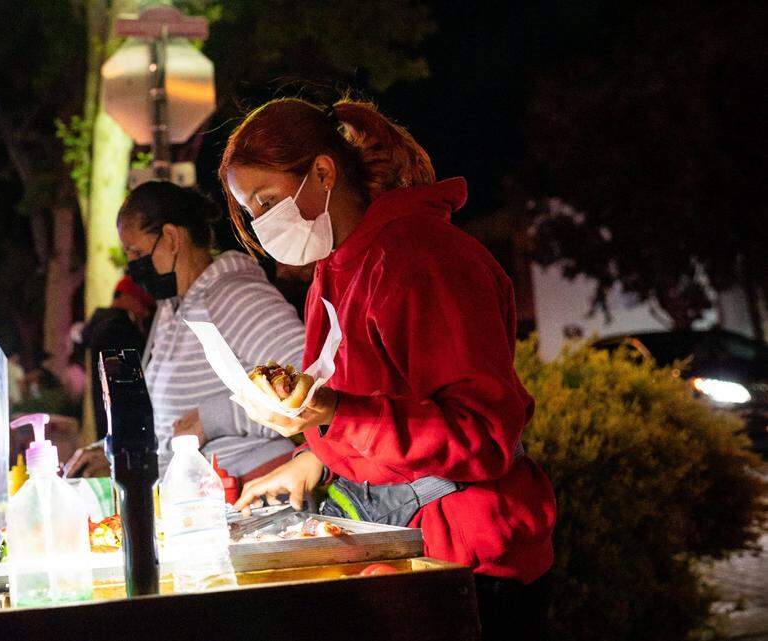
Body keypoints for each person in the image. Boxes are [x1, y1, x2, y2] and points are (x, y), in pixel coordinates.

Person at [219, 97, 556, 641]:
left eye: (266, 201)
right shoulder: (334, 270)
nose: (261, 225)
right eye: (251, 212)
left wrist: (332, 413)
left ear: (323, 173)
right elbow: (373, 404)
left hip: (469, 563)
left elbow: (482, 435)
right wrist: (315, 457)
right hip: (398, 547)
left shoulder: (423, 259)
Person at [66, 182, 306, 479]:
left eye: (136, 251)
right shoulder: (174, 307)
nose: (132, 265)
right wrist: (113, 451)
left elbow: (305, 383)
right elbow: (166, 425)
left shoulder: (234, 295)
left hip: (252, 486)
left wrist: (212, 418)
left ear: (171, 237)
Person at [81, 276, 155, 440]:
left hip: (108, 423)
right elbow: (130, 379)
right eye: (142, 303)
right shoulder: (118, 328)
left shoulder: (102, 324)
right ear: (127, 297)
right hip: (125, 428)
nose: (146, 311)